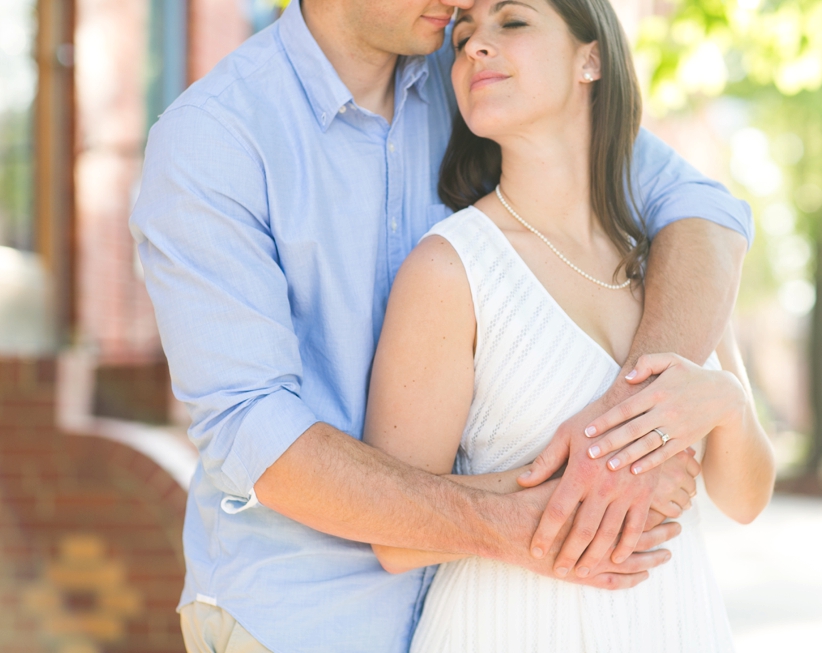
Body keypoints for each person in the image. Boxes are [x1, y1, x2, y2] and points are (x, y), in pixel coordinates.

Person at [129, 0, 754, 651]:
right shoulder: (214, 138)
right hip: (304, 618)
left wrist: (633, 431)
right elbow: (254, 430)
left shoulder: (476, 75)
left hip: (479, 612)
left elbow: (703, 212)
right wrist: (541, 506)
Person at [363, 0, 776, 650]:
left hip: (676, 623)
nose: (474, 46)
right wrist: (595, 475)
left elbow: (747, 499)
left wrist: (723, 403)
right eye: (464, 35)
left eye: (513, 22)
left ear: (592, 57)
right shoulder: (450, 269)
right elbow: (394, 534)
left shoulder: (671, 260)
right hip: (509, 627)